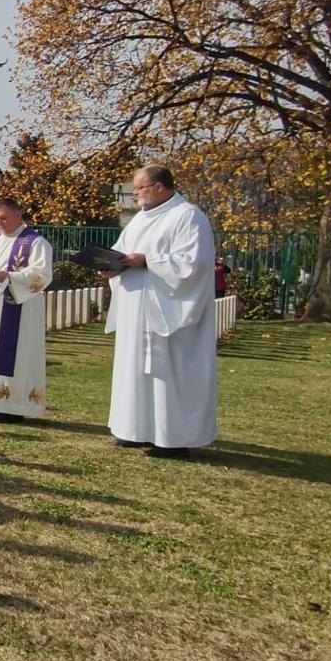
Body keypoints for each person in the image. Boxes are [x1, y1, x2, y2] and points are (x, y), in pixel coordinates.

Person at [103, 165, 218, 459]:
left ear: (159, 186)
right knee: (133, 370)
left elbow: (194, 264)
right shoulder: (140, 219)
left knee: (166, 373)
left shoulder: (187, 216)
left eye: (139, 188)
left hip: (168, 312)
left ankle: (172, 439)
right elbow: (121, 250)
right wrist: (111, 265)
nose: (135, 194)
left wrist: (147, 261)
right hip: (136, 310)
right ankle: (134, 430)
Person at [0, 197, 55, 424]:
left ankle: (14, 407)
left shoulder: (34, 242)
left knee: (18, 356)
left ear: (18, 214)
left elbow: (42, 275)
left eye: (3, 218)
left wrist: (8, 276)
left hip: (20, 309)